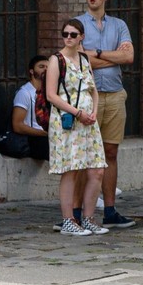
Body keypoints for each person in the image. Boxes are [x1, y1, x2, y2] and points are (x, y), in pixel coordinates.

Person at [78, 0, 137, 228]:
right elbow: (79, 59)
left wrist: (98, 54)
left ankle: (110, 209)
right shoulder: (77, 25)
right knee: (85, 154)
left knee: (110, 152)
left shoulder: (119, 25)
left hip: (114, 93)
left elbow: (129, 56)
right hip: (88, 96)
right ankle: (77, 211)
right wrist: (114, 57)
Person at [46, 19, 109, 236]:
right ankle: (68, 220)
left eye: (73, 34)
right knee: (71, 169)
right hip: (67, 122)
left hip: (88, 122)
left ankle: (88, 217)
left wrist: (93, 112)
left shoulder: (84, 59)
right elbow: (51, 95)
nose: (69, 38)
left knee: (96, 169)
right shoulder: (56, 60)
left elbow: (93, 89)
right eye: (66, 34)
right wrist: (77, 113)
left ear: (81, 36)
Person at [0, 57, 51, 162]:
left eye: (48, 67)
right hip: (31, 139)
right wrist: (45, 134)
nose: (45, 70)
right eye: (41, 67)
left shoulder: (49, 92)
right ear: (31, 71)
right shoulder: (25, 93)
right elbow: (17, 126)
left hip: (45, 137)